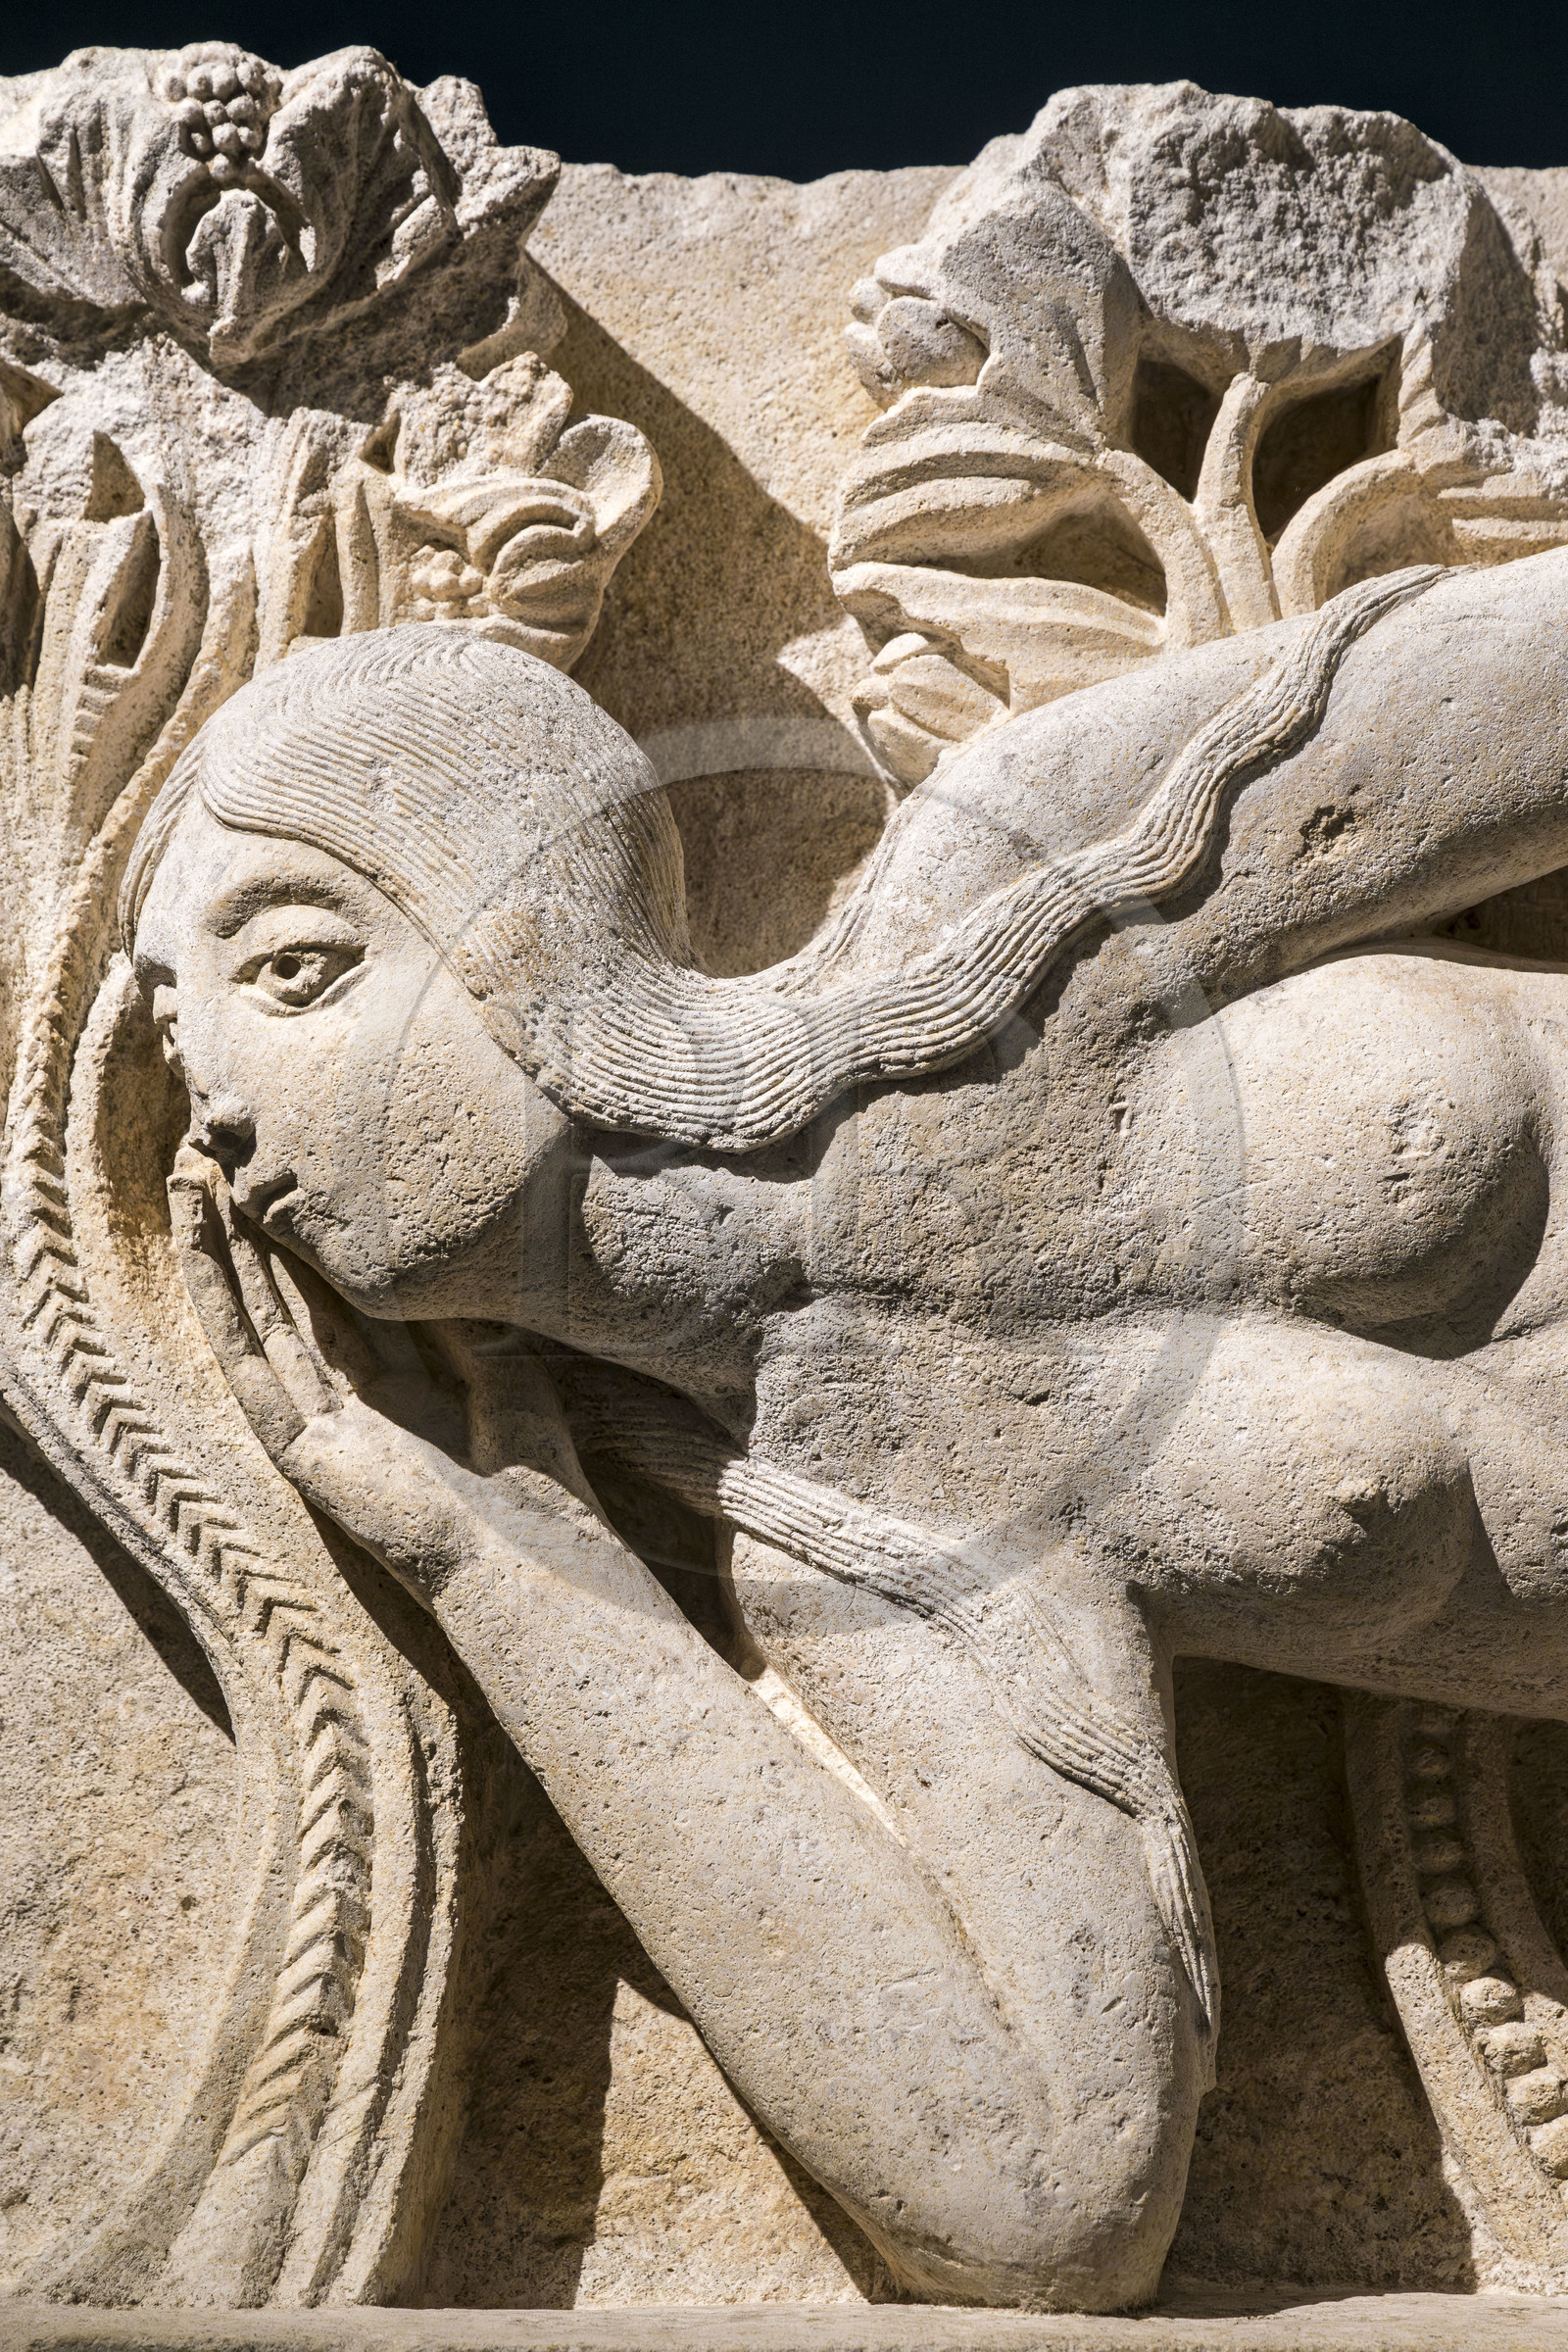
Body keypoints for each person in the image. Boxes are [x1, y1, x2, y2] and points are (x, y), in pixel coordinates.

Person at [123, 544, 1568, 2309]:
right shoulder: (859, 1549)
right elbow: (1047, 2197)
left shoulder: (1017, 884)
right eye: (181, 1033)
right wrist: (499, 1569)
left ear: (518, 917)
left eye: (286, 971)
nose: (213, 1106)